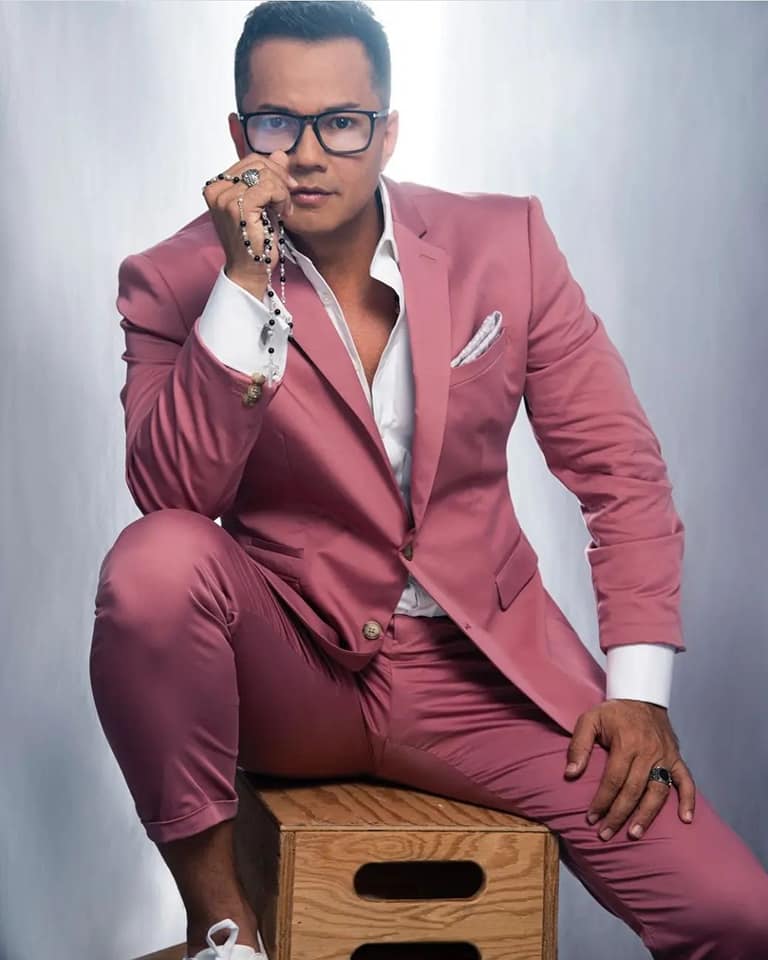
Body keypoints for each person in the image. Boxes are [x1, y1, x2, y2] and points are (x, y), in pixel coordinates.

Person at [89, 2, 768, 958]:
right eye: (279, 124)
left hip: (483, 681)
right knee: (153, 562)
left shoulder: (506, 244)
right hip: (296, 673)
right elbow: (173, 497)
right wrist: (242, 284)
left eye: (342, 122)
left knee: (736, 915)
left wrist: (640, 691)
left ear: (388, 131)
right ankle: (222, 931)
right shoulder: (173, 280)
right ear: (240, 136)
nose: (308, 155)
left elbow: (620, 469)